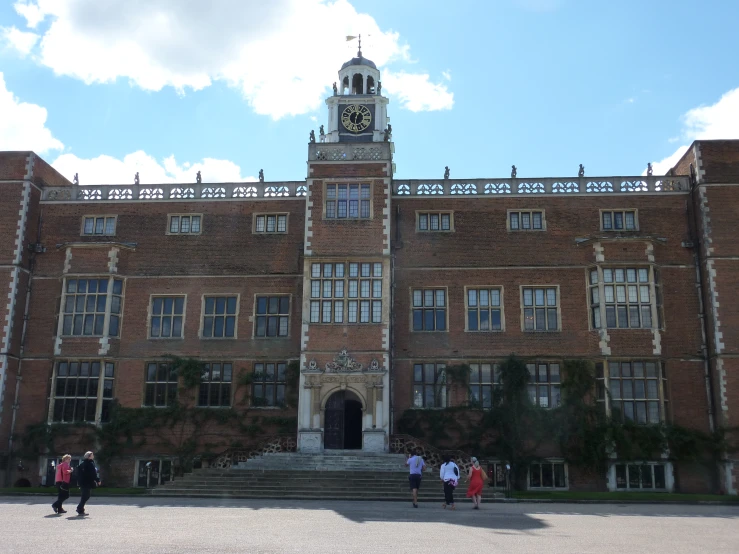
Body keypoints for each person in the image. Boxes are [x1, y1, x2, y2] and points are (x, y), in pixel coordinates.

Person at [76, 451, 101, 516]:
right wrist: (98, 480)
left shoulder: (82, 463)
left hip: (82, 482)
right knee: (86, 496)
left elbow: (78, 473)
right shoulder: (90, 464)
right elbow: (93, 473)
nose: (93, 456)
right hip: (87, 482)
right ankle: (80, 508)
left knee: (85, 496)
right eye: (92, 455)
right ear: (89, 456)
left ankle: (80, 508)